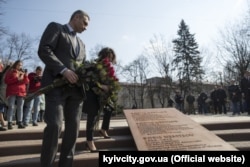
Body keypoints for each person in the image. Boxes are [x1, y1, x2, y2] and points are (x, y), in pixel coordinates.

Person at [38, 10, 90, 167]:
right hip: (55, 86)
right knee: (55, 125)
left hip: (75, 92)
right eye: (85, 23)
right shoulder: (56, 28)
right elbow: (44, 49)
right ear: (76, 17)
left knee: (73, 130)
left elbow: (82, 67)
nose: (86, 28)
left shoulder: (82, 44)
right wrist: (63, 70)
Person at [82, 47, 117, 152]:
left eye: (111, 58)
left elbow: (110, 81)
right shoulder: (95, 65)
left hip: (103, 94)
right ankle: (89, 141)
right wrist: (101, 86)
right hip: (92, 93)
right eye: (108, 57)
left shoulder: (108, 68)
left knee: (109, 108)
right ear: (103, 56)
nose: (109, 60)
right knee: (92, 116)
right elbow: (89, 80)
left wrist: (111, 87)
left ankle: (103, 129)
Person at [4, 60, 29, 129]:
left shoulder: (22, 72)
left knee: (20, 107)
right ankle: (9, 123)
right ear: (15, 64)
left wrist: (26, 76)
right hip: (12, 91)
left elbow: (26, 82)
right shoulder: (11, 71)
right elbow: (6, 81)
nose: (20, 66)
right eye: (18, 65)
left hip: (21, 91)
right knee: (11, 107)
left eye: (21, 65)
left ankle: (20, 122)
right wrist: (17, 79)